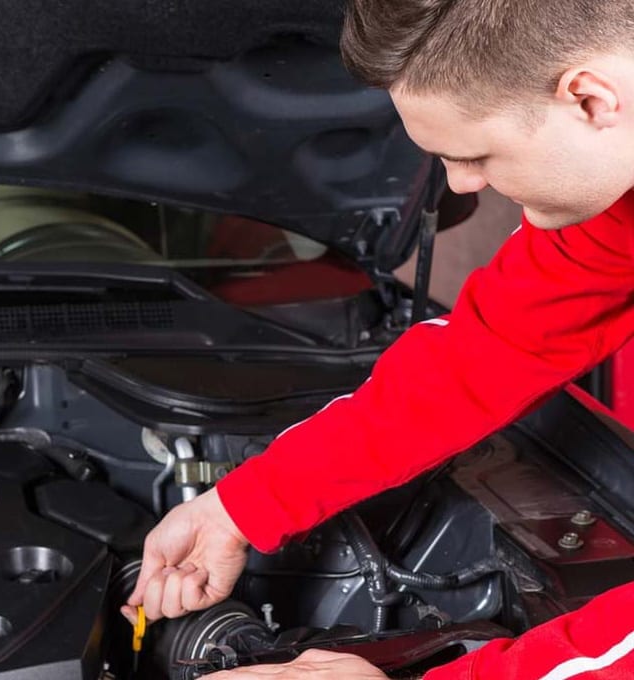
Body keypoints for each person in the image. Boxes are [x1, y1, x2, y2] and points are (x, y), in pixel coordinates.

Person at [122, 0, 634, 677]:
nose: (462, 185)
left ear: (592, 101)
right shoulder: (611, 212)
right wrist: (240, 507)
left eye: (475, 155)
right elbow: (488, 353)